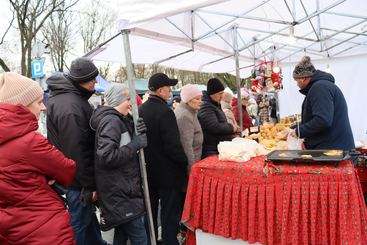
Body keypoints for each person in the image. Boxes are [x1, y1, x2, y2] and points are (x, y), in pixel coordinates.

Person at [0, 72, 76, 244]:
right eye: (39, 102)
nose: (43, 108)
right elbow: (67, 170)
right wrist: (45, 175)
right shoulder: (30, 142)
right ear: (22, 106)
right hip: (46, 228)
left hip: (10, 230)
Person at [46, 58, 106, 245]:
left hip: (73, 177)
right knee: (78, 225)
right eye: (93, 79)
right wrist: (89, 185)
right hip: (76, 181)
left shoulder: (68, 98)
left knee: (87, 221)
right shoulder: (71, 105)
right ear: (81, 80)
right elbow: (77, 150)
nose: (96, 82)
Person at [90, 83, 148, 245]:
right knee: (140, 238)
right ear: (117, 100)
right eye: (128, 99)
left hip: (121, 190)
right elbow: (107, 156)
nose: (131, 102)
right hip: (121, 192)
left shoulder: (117, 119)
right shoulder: (111, 122)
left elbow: (121, 144)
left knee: (122, 236)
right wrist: (136, 144)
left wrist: (132, 124)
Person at [139, 73, 188, 245]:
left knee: (150, 213)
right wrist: (184, 162)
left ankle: (150, 241)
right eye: (168, 88)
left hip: (148, 172)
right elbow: (173, 145)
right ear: (160, 90)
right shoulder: (165, 112)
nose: (170, 91)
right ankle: (169, 242)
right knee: (169, 215)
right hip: (167, 174)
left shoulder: (141, 110)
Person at [289, 56, 355, 150]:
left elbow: (322, 120)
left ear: (303, 78)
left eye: (296, 80)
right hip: (332, 146)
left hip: (333, 150)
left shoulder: (319, 88)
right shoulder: (320, 86)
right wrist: (293, 128)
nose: (297, 84)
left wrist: (298, 132)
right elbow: (313, 118)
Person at [198, 78, 237, 158]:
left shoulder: (215, 104)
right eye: (220, 93)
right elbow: (214, 127)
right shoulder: (206, 106)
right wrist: (231, 127)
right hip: (212, 150)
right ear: (212, 93)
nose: (222, 96)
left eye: (222, 93)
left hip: (218, 147)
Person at [174, 84, 203, 177]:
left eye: (200, 99)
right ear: (188, 100)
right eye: (197, 99)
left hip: (196, 160)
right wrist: (192, 169)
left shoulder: (191, 111)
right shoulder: (185, 116)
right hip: (191, 166)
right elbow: (186, 145)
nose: (200, 102)